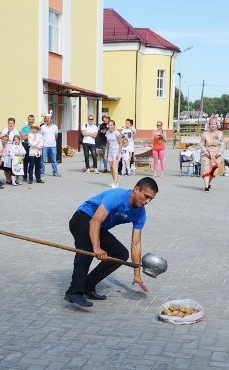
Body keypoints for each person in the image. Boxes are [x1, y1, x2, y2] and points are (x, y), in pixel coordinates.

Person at [64, 177, 158, 308]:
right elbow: (95, 221)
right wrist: (96, 248)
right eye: (146, 196)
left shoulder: (140, 213)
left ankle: (88, 285)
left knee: (120, 254)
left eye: (151, 199)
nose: (147, 201)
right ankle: (74, 292)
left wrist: (137, 274)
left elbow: (136, 244)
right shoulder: (116, 196)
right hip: (82, 218)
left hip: (98, 226)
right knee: (86, 251)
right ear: (136, 189)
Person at [201, 117, 223, 192]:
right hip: (207, 153)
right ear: (209, 125)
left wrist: (219, 153)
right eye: (211, 124)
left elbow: (222, 144)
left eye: (214, 124)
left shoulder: (220, 133)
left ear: (217, 125)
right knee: (206, 169)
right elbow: (201, 144)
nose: (213, 125)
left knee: (214, 170)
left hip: (216, 153)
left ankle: (208, 182)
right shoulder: (205, 134)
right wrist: (206, 153)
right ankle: (206, 187)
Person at [105, 119, 124, 188]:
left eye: (111, 125)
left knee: (114, 167)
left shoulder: (117, 133)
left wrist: (118, 153)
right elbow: (107, 143)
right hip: (110, 152)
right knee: (111, 167)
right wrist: (106, 152)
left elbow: (121, 143)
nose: (109, 126)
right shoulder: (107, 133)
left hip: (116, 151)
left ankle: (116, 184)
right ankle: (114, 181)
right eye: (109, 125)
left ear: (114, 126)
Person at [1, 118, 20, 185]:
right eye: (9, 123)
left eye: (12, 123)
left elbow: (18, 140)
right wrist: (8, 132)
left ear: (14, 124)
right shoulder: (5, 130)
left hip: (14, 148)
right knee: (6, 165)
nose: (10, 124)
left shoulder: (16, 131)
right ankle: (8, 179)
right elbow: (3, 139)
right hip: (6, 147)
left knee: (13, 165)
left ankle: (13, 179)